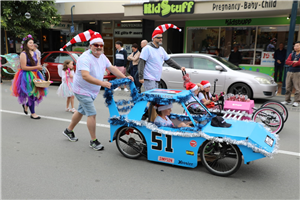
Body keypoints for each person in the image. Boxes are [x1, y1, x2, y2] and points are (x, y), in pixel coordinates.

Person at [59, 29, 133, 150]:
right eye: (96, 46)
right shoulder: (84, 58)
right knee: (92, 114)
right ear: (90, 46)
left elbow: (112, 68)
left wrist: (125, 78)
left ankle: (68, 130)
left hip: (92, 90)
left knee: (81, 111)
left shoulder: (102, 56)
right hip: (81, 90)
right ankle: (93, 141)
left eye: (101, 46)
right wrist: (103, 83)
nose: (99, 48)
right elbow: (85, 76)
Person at [138, 24, 185, 91]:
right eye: (159, 38)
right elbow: (141, 63)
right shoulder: (147, 49)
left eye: (161, 37)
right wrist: (141, 77)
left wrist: (180, 67)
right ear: (153, 38)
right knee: (151, 97)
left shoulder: (161, 49)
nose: (161, 39)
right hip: (149, 78)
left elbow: (169, 61)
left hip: (157, 78)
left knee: (154, 98)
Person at [11, 34, 47, 119]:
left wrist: (40, 67)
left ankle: (27, 105)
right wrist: (36, 67)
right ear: (26, 44)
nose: (32, 44)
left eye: (33, 43)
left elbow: (37, 65)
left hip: (36, 75)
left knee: (37, 94)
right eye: (30, 42)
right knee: (31, 94)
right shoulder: (23, 54)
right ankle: (33, 113)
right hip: (26, 76)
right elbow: (24, 67)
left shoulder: (35, 53)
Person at [281, 41, 300, 107]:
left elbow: (298, 63)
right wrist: (293, 62)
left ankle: (297, 101)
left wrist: (292, 63)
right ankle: (287, 100)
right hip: (290, 72)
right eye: (295, 46)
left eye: (297, 46)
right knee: (288, 87)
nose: (295, 47)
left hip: (298, 72)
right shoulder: (291, 54)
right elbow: (287, 62)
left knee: (297, 88)